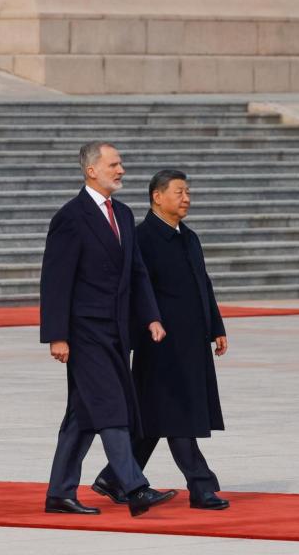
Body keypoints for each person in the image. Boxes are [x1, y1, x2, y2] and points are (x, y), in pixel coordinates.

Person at [41, 142, 177, 517]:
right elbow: (56, 280)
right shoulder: (70, 217)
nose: (121, 171)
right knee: (113, 406)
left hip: (117, 332)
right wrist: (57, 335)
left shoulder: (122, 213)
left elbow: (136, 272)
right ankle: (133, 486)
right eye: (114, 164)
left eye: (121, 164)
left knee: (83, 416)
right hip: (84, 331)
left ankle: (59, 493)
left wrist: (151, 316)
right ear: (91, 170)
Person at [91, 169, 230, 511]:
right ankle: (201, 485)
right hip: (160, 344)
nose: (186, 199)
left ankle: (114, 477)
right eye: (179, 192)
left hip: (192, 343)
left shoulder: (189, 238)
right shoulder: (142, 239)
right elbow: (132, 291)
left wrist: (217, 327)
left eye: (188, 193)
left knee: (154, 417)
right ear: (157, 196)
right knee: (178, 414)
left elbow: (204, 285)